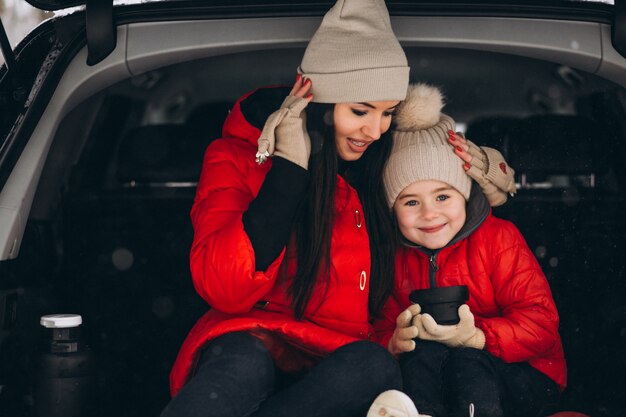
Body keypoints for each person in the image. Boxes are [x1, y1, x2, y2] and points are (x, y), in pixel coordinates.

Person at [161, 0, 515, 415]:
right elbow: (225, 288)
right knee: (243, 363)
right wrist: (290, 169)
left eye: (387, 113)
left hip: (343, 355)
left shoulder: (383, 159)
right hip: (253, 336)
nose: (374, 129)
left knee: (372, 365)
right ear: (321, 102)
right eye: (360, 111)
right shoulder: (235, 157)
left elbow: (440, 174)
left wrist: (491, 172)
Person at [372, 84, 566, 417]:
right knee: (418, 358)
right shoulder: (393, 254)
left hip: (529, 374)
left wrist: (478, 337)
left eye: (442, 196)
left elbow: (542, 324)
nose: (429, 213)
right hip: (445, 375)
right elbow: (380, 322)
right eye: (411, 202)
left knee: (466, 360)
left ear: (464, 194)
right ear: (393, 209)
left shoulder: (498, 238)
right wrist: (393, 341)